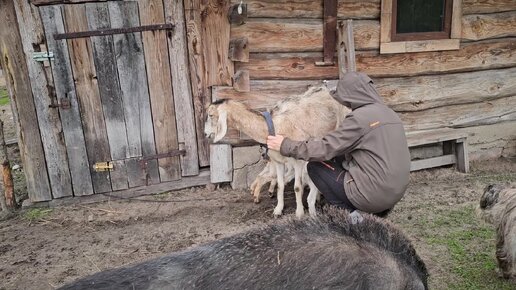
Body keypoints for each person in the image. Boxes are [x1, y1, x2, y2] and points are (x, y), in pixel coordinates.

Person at [266, 72, 410, 216]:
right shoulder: (390, 113)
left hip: (373, 196)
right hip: (395, 193)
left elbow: (324, 149)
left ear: (351, 96)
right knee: (339, 157)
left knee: (315, 167)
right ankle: (375, 212)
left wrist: (285, 145)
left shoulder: (359, 119)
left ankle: (355, 216)